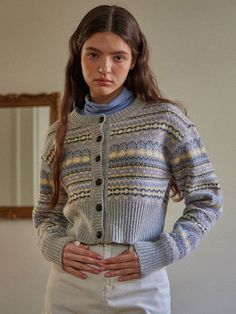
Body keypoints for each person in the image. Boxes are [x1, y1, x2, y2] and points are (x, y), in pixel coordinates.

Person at [33, 5, 223, 314]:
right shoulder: (60, 134)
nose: (104, 68)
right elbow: (46, 214)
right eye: (93, 54)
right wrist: (56, 247)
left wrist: (164, 251)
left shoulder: (166, 122)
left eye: (117, 57)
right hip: (71, 284)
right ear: (78, 56)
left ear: (133, 60)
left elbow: (208, 199)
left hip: (141, 281)